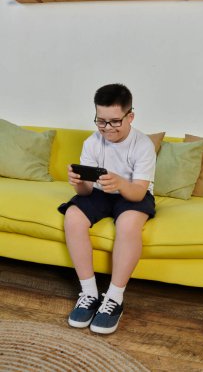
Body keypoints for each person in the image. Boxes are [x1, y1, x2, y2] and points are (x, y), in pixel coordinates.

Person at [58, 83, 156, 334]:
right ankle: (89, 293)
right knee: (72, 215)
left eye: (114, 122)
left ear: (130, 116)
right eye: (101, 121)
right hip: (101, 193)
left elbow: (137, 191)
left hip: (132, 193)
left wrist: (121, 183)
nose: (107, 129)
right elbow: (87, 193)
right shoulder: (92, 143)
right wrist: (79, 184)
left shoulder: (142, 145)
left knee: (127, 224)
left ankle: (114, 297)